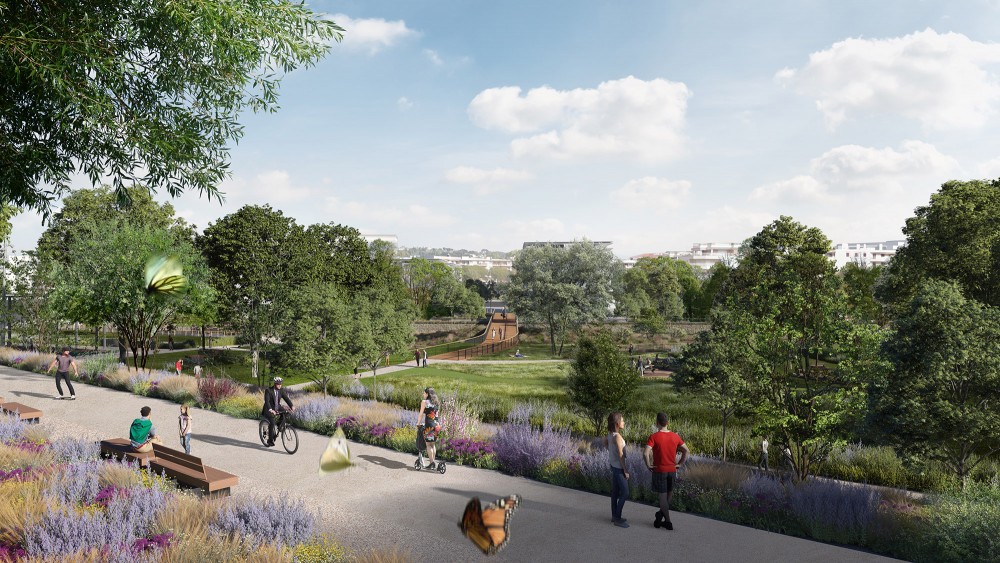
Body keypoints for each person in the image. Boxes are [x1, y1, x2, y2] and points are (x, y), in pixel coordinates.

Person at [644, 412, 689, 531]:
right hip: (672, 470)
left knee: (663, 496)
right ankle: (660, 514)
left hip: (660, 470)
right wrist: (680, 464)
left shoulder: (654, 437)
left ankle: (668, 522)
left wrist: (648, 465)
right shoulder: (675, 436)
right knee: (669, 493)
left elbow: (645, 453)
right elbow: (686, 451)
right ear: (667, 422)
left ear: (657, 423)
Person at [602, 412, 630, 528]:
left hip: (613, 466)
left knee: (615, 492)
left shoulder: (609, 435)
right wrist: (625, 470)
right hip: (618, 468)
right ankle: (617, 518)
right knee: (625, 492)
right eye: (622, 420)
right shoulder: (617, 437)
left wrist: (612, 454)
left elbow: (606, 445)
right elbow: (620, 454)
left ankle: (614, 516)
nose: (624, 422)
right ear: (618, 423)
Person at [262, 377, 294, 447]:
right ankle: (270, 441)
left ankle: (279, 425)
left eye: (280, 384)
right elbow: (267, 401)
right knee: (272, 423)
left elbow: (286, 399)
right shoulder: (268, 390)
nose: (280, 385)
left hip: (277, 407)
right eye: (278, 384)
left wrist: (291, 406)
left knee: (286, 413)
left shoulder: (281, 390)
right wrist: (271, 410)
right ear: (275, 384)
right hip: (268, 408)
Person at [416, 387, 441, 468]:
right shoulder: (437, 402)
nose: (423, 394)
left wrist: (418, 423)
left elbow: (420, 414)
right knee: (433, 445)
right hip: (436, 426)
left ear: (427, 394)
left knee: (428, 445)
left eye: (424, 393)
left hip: (429, 426)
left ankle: (431, 463)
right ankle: (433, 462)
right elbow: (436, 416)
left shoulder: (424, 402)